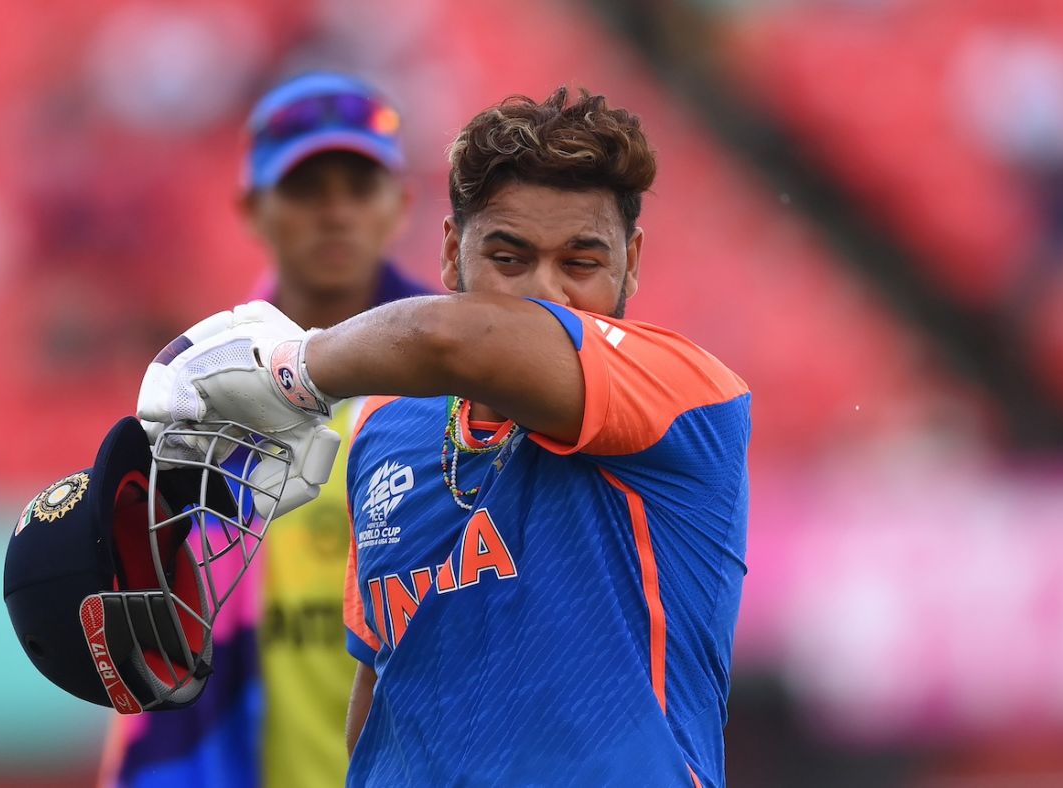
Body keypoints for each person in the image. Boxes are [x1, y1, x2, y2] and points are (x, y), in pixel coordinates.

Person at [138, 86, 751, 786]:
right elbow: (381, 698)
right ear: (452, 251)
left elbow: (450, 338)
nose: (546, 294)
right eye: (510, 258)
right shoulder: (383, 429)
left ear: (632, 262)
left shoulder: (686, 392)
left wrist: (289, 368)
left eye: (581, 263)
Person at [101, 71, 430, 788]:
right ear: (253, 208)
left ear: (400, 204)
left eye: (359, 186)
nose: (335, 212)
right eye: (307, 189)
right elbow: (161, 631)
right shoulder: (193, 399)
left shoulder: (463, 384)